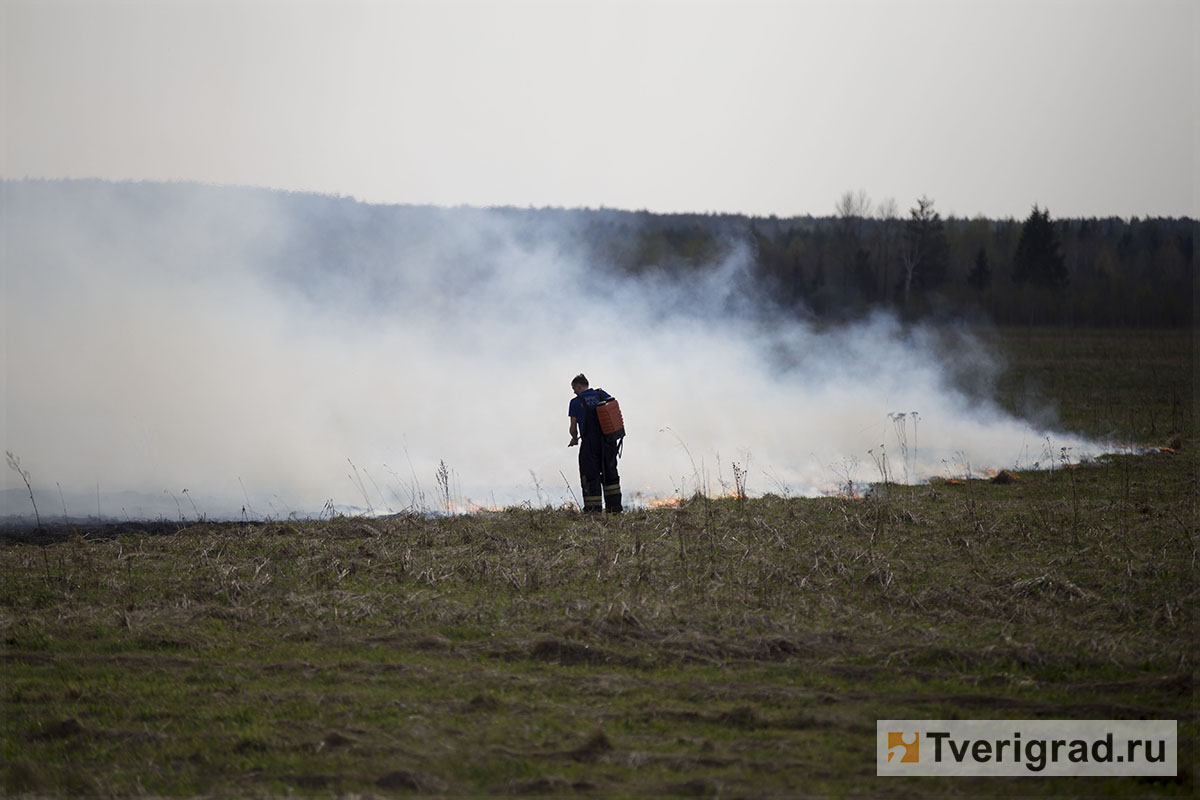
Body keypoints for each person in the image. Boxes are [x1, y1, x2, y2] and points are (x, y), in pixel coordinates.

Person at [568, 373, 622, 513]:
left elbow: (573, 428)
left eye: (574, 388)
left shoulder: (575, 402)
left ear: (579, 386)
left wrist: (574, 438)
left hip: (590, 445)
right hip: (608, 443)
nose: (573, 391)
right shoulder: (601, 394)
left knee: (590, 475)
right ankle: (614, 509)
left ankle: (593, 510)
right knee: (610, 473)